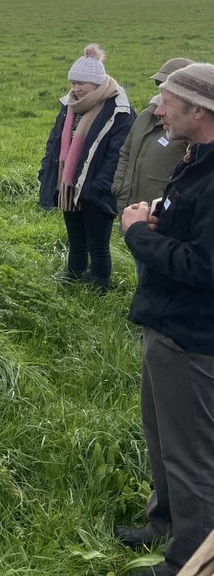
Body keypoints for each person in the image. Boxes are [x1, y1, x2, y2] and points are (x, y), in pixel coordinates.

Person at [119, 62, 214, 576]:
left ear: (198, 110)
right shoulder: (196, 159)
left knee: (192, 452)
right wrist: (163, 218)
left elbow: (205, 267)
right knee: (160, 433)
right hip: (168, 323)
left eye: (168, 101)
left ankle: (190, 560)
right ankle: (163, 523)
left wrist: (139, 234)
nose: (156, 108)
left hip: (194, 338)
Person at [37, 44, 132, 292]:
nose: (76, 89)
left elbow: (118, 153)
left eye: (82, 84)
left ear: (97, 84)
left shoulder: (118, 111)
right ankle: (73, 279)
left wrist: (99, 185)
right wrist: (47, 169)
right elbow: (55, 140)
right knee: (76, 241)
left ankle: (100, 287)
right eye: (73, 83)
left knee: (98, 244)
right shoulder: (68, 106)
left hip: (96, 189)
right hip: (68, 186)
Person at [114, 58, 193, 219]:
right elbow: (126, 152)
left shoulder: (187, 125)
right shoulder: (146, 115)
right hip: (134, 208)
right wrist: (119, 186)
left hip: (164, 213)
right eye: (161, 85)